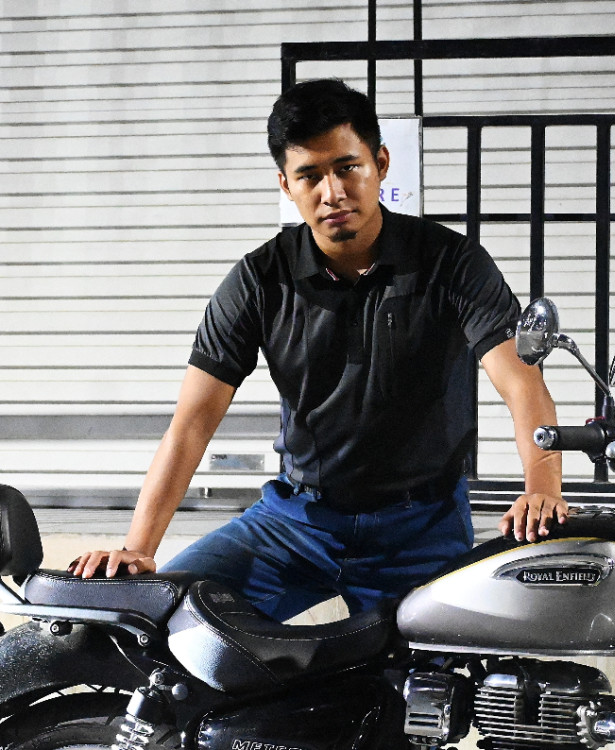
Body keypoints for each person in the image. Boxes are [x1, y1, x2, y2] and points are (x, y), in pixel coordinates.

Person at [71, 79, 566, 621]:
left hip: (420, 529)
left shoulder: (452, 263)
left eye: (348, 167)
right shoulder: (259, 281)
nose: (332, 192)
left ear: (380, 163)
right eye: (310, 175)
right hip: (293, 524)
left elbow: (520, 383)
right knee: (166, 620)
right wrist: (139, 548)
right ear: (286, 185)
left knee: (433, 670)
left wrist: (541, 486)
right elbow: (191, 424)